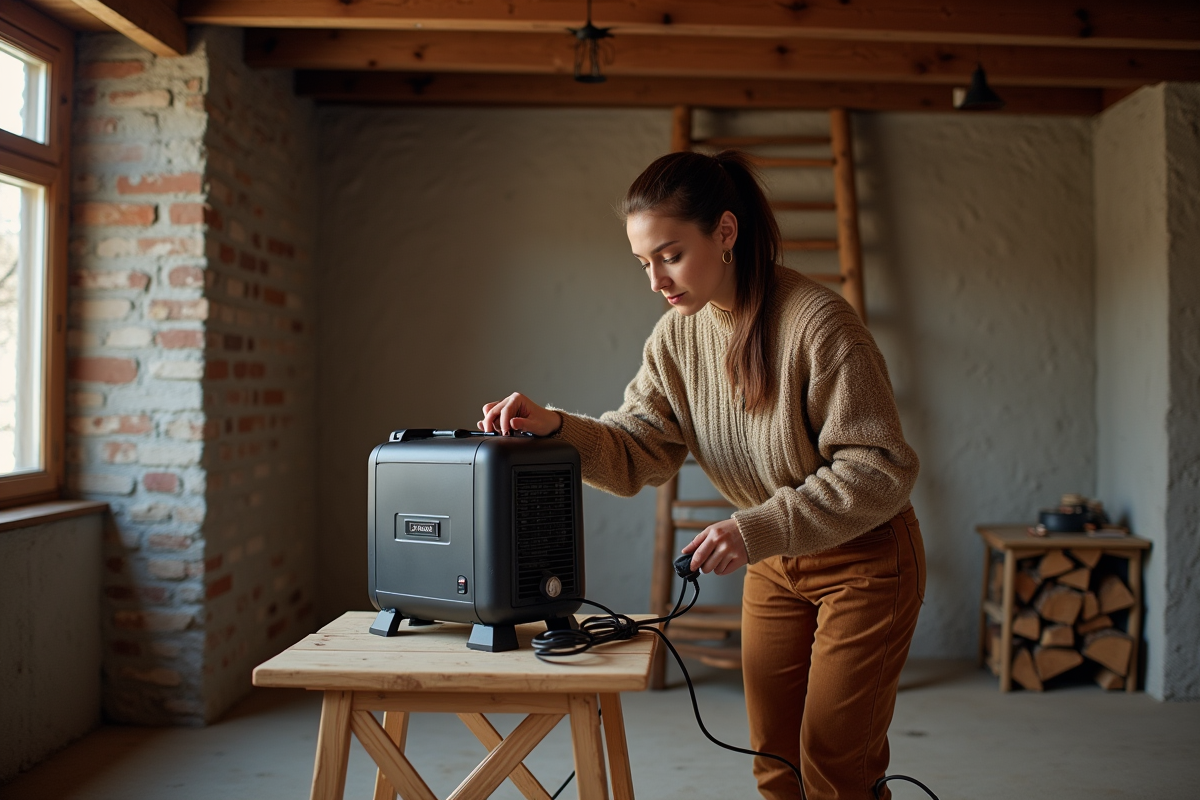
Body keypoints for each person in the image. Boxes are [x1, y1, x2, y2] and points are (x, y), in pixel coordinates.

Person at [478, 150, 924, 800]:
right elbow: (637, 451)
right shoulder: (675, 339)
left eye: (670, 254)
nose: (656, 278)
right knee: (774, 762)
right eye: (643, 262)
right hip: (776, 563)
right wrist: (555, 427)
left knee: (836, 765)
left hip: (866, 562)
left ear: (725, 231)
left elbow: (879, 467)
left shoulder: (820, 325)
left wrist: (756, 528)